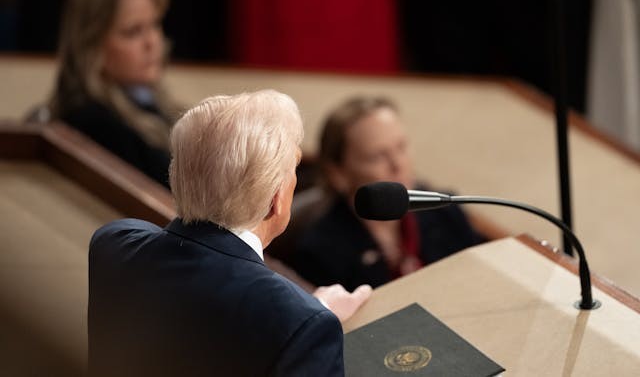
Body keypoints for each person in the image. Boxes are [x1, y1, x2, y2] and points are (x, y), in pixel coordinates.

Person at [88, 90, 372, 376]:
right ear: (276, 199)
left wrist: (308, 313)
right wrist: (308, 317)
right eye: (293, 169)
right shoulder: (300, 323)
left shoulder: (115, 245)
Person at [293, 96, 485, 291]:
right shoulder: (319, 253)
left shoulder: (445, 211)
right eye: (378, 156)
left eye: (401, 147)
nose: (398, 164)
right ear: (338, 174)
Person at [40, 0, 180, 187]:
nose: (152, 42)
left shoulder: (152, 104)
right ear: (91, 43)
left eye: (155, 25)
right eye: (133, 31)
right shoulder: (93, 124)